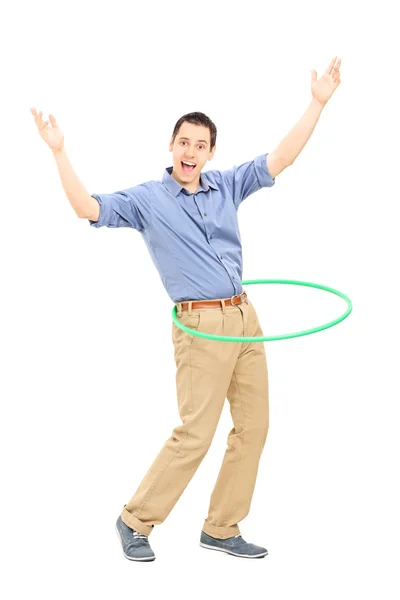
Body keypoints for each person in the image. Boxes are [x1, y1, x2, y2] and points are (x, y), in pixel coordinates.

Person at [30, 54, 341, 564]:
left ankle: (221, 527)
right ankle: (134, 519)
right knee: (196, 433)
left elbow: (282, 157)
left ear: (211, 151)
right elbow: (86, 208)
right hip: (201, 326)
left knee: (255, 427)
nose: (191, 152)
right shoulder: (148, 200)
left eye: (201, 145)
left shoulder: (228, 185)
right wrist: (60, 153)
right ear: (171, 147)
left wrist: (317, 103)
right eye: (183, 143)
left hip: (245, 316)